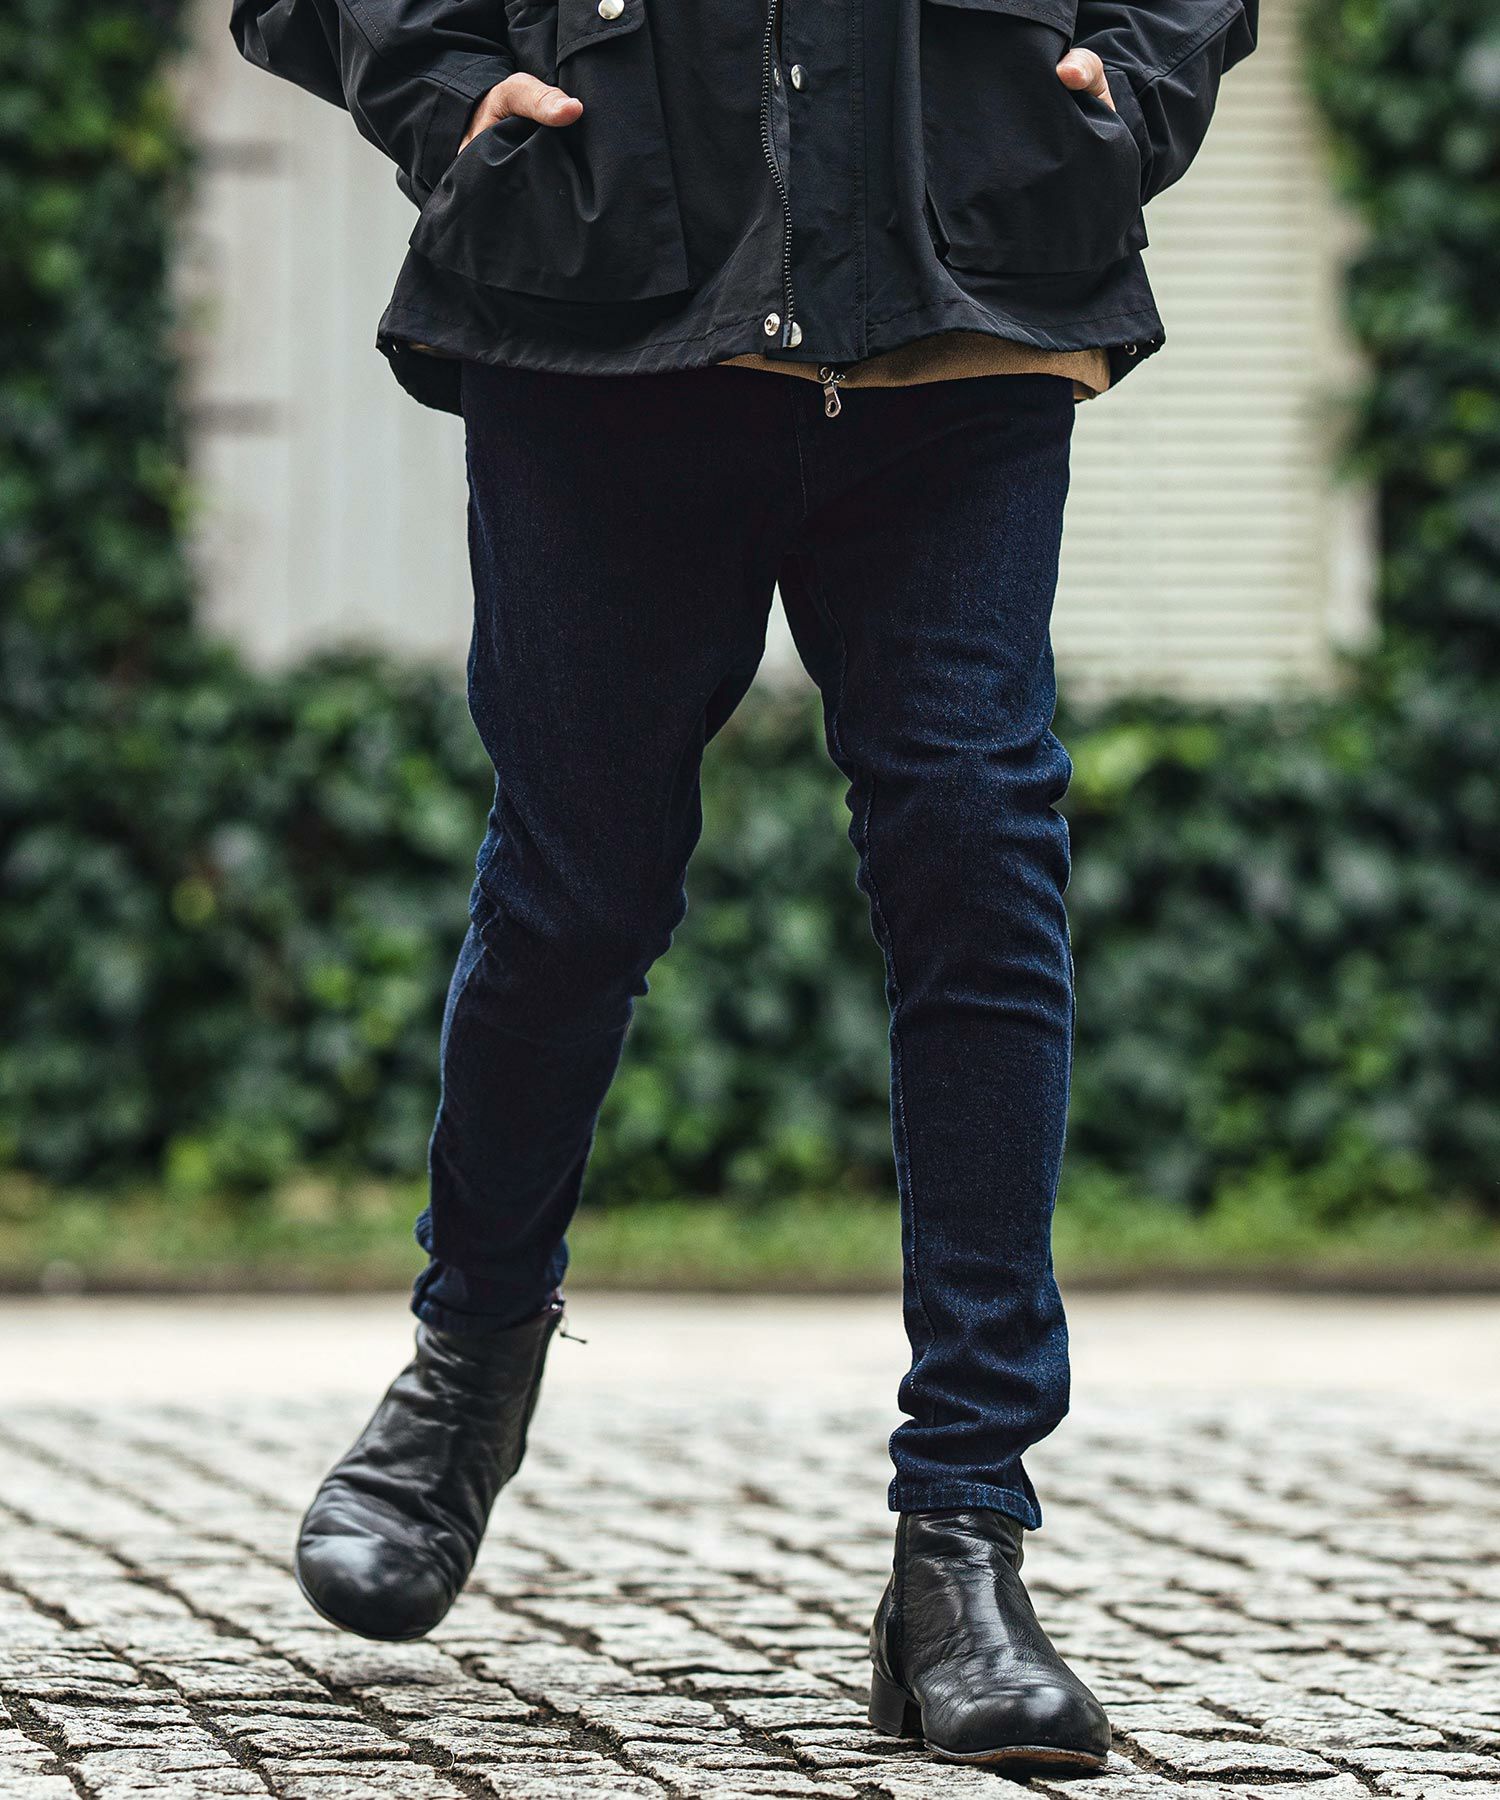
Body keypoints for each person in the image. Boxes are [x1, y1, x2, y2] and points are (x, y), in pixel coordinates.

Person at [231, 0, 1255, 1767]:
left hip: (961, 303)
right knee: (575, 890)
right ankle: (469, 1367)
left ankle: (965, 1534)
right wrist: (449, 94)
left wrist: (1134, 90)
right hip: (605, 293)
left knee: (980, 853)